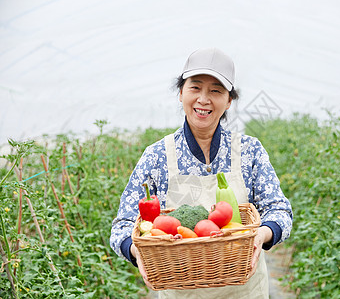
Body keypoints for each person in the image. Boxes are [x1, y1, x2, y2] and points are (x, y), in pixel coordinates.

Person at [110, 48, 293, 298]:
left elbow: (279, 210)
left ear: (229, 101)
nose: (204, 99)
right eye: (195, 88)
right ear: (181, 93)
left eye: (216, 90)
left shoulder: (249, 151)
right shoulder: (157, 156)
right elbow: (123, 224)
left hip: (244, 290)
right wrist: (136, 250)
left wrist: (261, 234)